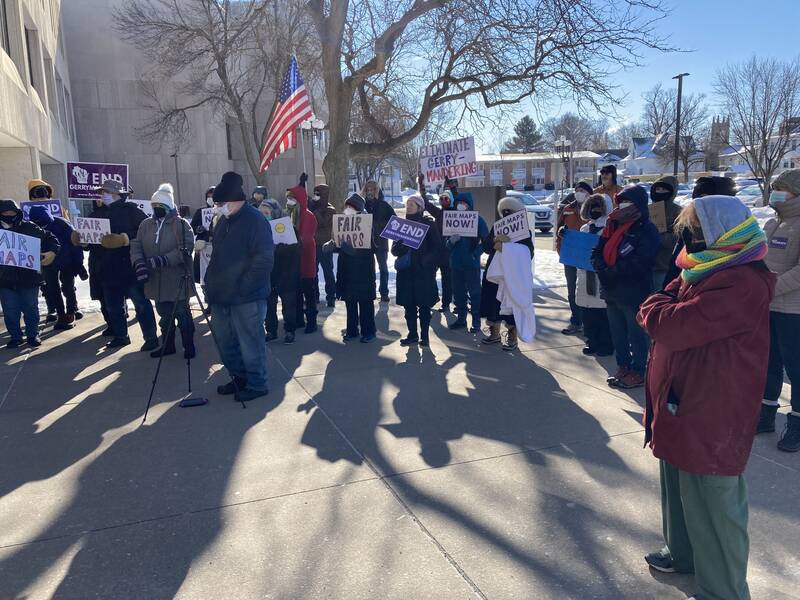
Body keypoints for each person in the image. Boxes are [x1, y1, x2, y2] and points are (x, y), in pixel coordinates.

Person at [638, 195, 773, 600]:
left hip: (714, 406)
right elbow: (664, 305)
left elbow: (672, 324)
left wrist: (655, 308)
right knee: (678, 482)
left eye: (694, 228)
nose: (688, 237)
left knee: (714, 499)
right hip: (681, 398)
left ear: (720, 231)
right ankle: (682, 554)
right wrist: (659, 307)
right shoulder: (702, 268)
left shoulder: (742, 279)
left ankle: (724, 589)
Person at [204, 171, 274, 402]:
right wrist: (211, 287)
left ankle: (257, 383)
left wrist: (244, 287)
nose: (218, 208)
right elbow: (217, 257)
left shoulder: (255, 220)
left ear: (235, 200)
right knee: (225, 341)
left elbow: (263, 260)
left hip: (247, 297)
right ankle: (239, 377)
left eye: (221, 204)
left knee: (250, 342)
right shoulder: (224, 221)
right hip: (222, 295)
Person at [75, 180, 158, 350]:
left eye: (106, 192)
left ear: (118, 194)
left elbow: (147, 234)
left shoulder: (132, 212)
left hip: (130, 267)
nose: (103, 195)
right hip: (106, 268)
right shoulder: (95, 215)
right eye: (102, 192)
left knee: (141, 304)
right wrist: (82, 241)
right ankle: (121, 336)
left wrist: (124, 239)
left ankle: (151, 337)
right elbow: (91, 242)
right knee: (113, 306)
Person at [591, 185, 659, 389]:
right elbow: (597, 251)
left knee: (636, 335)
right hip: (611, 290)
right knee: (618, 333)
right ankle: (623, 366)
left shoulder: (647, 229)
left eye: (627, 203)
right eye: (620, 202)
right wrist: (600, 266)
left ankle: (639, 371)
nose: (622, 206)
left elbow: (643, 260)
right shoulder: (611, 226)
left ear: (638, 205)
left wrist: (613, 270)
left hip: (633, 291)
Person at [757, 168, 800, 452]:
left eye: (782, 188)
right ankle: (765, 416)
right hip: (766, 306)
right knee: (767, 363)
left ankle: (796, 425)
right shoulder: (772, 223)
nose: (776, 193)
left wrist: (769, 287)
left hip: (792, 311)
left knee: (796, 369)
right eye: (775, 188)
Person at [130, 183, 196, 359]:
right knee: (164, 317)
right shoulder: (146, 224)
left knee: (182, 315)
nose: (157, 209)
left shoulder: (181, 225)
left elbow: (186, 247)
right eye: (154, 206)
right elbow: (136, 245)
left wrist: (163, 259)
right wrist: (139, 263)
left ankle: (189, 345)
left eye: (161, 206)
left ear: (169, 206)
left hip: (177, 280)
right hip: (155, 281)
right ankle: (168, 345)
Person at [0, 199, 60, 348]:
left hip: (29, 278)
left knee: (30, 308)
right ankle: (16, 337)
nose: (9, 215)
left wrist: (52, 252)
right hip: (5, 280)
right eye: (5, 213)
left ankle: (33, 335)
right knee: (10, 311)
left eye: (12, 212)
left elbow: (50, 238)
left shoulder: (29, 227)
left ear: (17, 213)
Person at [480, 196, 535, 351]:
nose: (506, 215)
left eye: (510, 212)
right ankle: (494, 332)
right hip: (495, 272)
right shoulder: (497, 227)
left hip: (512, 274)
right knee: (492, 302)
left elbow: (528, 253)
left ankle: (512, 336)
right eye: (504, 212)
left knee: (511, 304)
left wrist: (508, 248)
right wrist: (493, 242)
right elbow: (486, 248)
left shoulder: (524, 232)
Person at [662, 176, 737, 287]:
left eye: (706, 198)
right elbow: (676, 266)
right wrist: (667, 292)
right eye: (697, 199)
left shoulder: (739, 233)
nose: (700, 204)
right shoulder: (689, 228)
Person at [323, 193, 377, 343]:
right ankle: (352, 330)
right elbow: (339, 242)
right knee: (350, 303)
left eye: (350, 207)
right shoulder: (343, 222)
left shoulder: (368, 223)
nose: (347, 209)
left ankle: (369, 331)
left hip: (363, 271)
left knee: (365, 303)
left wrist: (353, 251)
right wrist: (332, 245)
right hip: (347, 270)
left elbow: (373, 246)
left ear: (358, 209)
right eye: (346, 206)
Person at [391, 194, 440, 347]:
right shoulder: (401, 225)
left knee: (424, 306)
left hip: (423, 273)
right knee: (409, 306)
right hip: (406, 273)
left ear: (420, 207)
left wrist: (425, 262)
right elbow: (393, 250)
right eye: (407, 204)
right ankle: (412, 334)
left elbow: (437, 248)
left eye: (412, 204)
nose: (409, 206)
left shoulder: (429, 224)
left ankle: (424, 337)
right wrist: (400, 246)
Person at [28, 204, 85, 331]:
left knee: (68, 287)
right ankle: (61, 314)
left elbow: (75, 244)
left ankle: (71, 312)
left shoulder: (63, 224)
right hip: (47, 263)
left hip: (67, 261)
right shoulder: (31, 228)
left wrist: (79, 264)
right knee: (52, 289)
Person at [575, 194, 614, 357]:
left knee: (604, 314)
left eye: (598, 207)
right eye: (592, 207)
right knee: (588, 312)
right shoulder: (584, 229)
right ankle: (592, 341)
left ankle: (606, 343)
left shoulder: (610, 229)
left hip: (602, 275)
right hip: (585, 275)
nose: (595, 211)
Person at [446, 191, 488, 332]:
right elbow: (446, 244)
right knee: (458, 294)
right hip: (456, 264)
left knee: (475, 294)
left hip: (471, 264)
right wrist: (451, 241)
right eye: (458, 203)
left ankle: (476, 323)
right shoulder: (451, 220)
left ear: (469, 205)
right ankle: (461, 320)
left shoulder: (478, 220)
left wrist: (475, 253)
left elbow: (487, 242)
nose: (461, 206)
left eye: (464, 203)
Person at [261, 198, 299, 344]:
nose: (265, 215)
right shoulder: (260, 229)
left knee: (288, 305)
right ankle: (271, 330)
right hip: (269, 274)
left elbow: (296, 249)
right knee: (269, 305)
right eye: (262, 213)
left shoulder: (288, 227)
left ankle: (290, 331)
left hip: (286, 273)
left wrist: (280, 248)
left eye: (267, 213)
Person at [556, 181, 592, 335]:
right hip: (570, 256)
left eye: (582, 190)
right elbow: (559, 228)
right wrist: (560, 239)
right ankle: (576, 320)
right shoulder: (568, 208)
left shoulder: (594, 208)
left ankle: (589, 322)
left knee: (589, 290)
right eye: (577, 190)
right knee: (572, 290)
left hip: (588, 258)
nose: (579, 193)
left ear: (589, 193)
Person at [286, 175, 318, 333]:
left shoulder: (308, 215)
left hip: (305, 258)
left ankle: (311, 320)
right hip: (293, 260)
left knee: (308, 292)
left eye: (292, 199)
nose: (289, 202)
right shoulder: (289, 215)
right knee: (296, 292)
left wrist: (292, 240)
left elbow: (306, 237)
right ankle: (299, 319)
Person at [420, 174, 453, 312]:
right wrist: (422, 187)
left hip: (449, 252)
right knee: (430, 277)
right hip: (436, 252)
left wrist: (449, 182)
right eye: (441, 199)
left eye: (446, 198)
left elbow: (457, 196)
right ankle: (432, 299)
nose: (443, 200)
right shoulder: (439, 213)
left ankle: (446, 303)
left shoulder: (457, 213)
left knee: (447, 280)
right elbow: (426, 204)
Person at [364, 179, 396, 302]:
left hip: (381, 242)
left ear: (377, 190)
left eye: (372, 189)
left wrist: (379, 225)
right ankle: (370, 292)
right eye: (368, 190)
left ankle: (384, 293)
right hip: (367, 242)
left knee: (383, 269)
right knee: (368, 269)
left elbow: (394, 222)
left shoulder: (384, 206)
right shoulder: (362, 204)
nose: (370, 192)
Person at [649, 176, 682, 290]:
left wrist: (658, 237)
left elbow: (679, 239)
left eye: (664, 190)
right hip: (645, 266)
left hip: (664, 266)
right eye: (658, 189)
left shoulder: (679, 212)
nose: (660, 192)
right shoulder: (648, 209)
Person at [311, 184, 336, 307]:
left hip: (325, 244)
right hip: (313, 243)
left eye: (318, 194)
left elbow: (323, 223)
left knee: (328, 272)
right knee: (312, 272)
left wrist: (315, 211)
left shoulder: (330, 209)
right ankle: (314, 295)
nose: (315, 197)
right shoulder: (314, 207)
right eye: (315, 194)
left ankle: (331, 296)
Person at [191, 187, 215, 291]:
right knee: (203, 276)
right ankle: (206, 297)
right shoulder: (200, 211)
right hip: (202, 248)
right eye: (208, 197)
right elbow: (192, 227)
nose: (210, 199)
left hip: (215, 246)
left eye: (212, 196)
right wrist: (198, 229)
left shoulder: (222, 211)